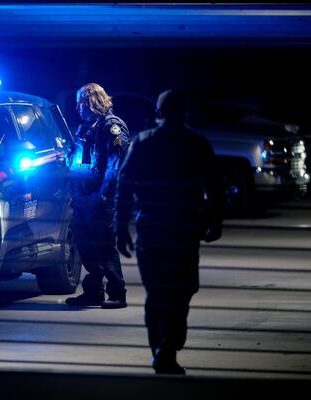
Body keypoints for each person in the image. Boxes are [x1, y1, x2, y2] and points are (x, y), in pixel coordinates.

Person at [113, 89, 224, 374]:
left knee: (156, 292)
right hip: (184, 230)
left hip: (151, 228)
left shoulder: (143, 143)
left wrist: (120, 228)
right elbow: (214, 186)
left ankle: (159, 348)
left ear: (159, 113)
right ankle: (167, 347)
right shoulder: (196, 143)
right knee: (180, 292)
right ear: (184, 112)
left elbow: (124, 186)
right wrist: (215, 221)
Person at [65, 83, 130, 309]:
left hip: (99, 200)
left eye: (81, 101)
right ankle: (93, 292)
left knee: (104, 247)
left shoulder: (111, 127)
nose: (77, 106)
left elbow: (116, 165)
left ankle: (117, 293)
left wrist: (103, 195)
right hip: (82, 198)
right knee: (86, 247)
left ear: (93, 100)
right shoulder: (84, 127)